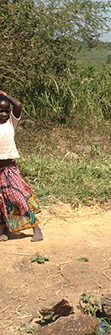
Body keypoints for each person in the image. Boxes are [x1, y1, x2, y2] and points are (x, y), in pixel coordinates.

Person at [0, 91, 43, 242]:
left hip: (9, 169)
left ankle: (35, 227)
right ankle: (5, 230)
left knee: (18, 198)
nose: (4, 114)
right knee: (2, 202)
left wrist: (4, 95)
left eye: (6, 111)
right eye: (1, 111)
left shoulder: (11, 123)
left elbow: (18, 104)